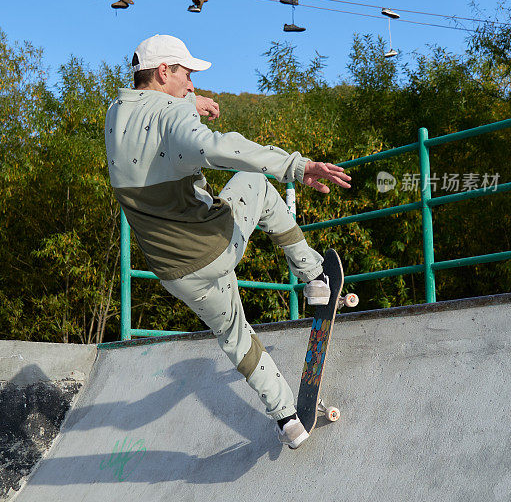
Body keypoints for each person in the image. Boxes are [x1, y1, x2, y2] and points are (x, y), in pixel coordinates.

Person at [105, 34, 351, 448]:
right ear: (164, 71)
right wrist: (296, 165)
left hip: (174, 272)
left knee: (235, 336)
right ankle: (314, 278)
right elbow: (219, 148)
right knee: (256, 183)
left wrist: (187, 103)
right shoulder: (170, 117)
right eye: (186, 75)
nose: (191, 84)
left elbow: (151, 116)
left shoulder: (115, 115)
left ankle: (288, 419)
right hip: (212, 245)